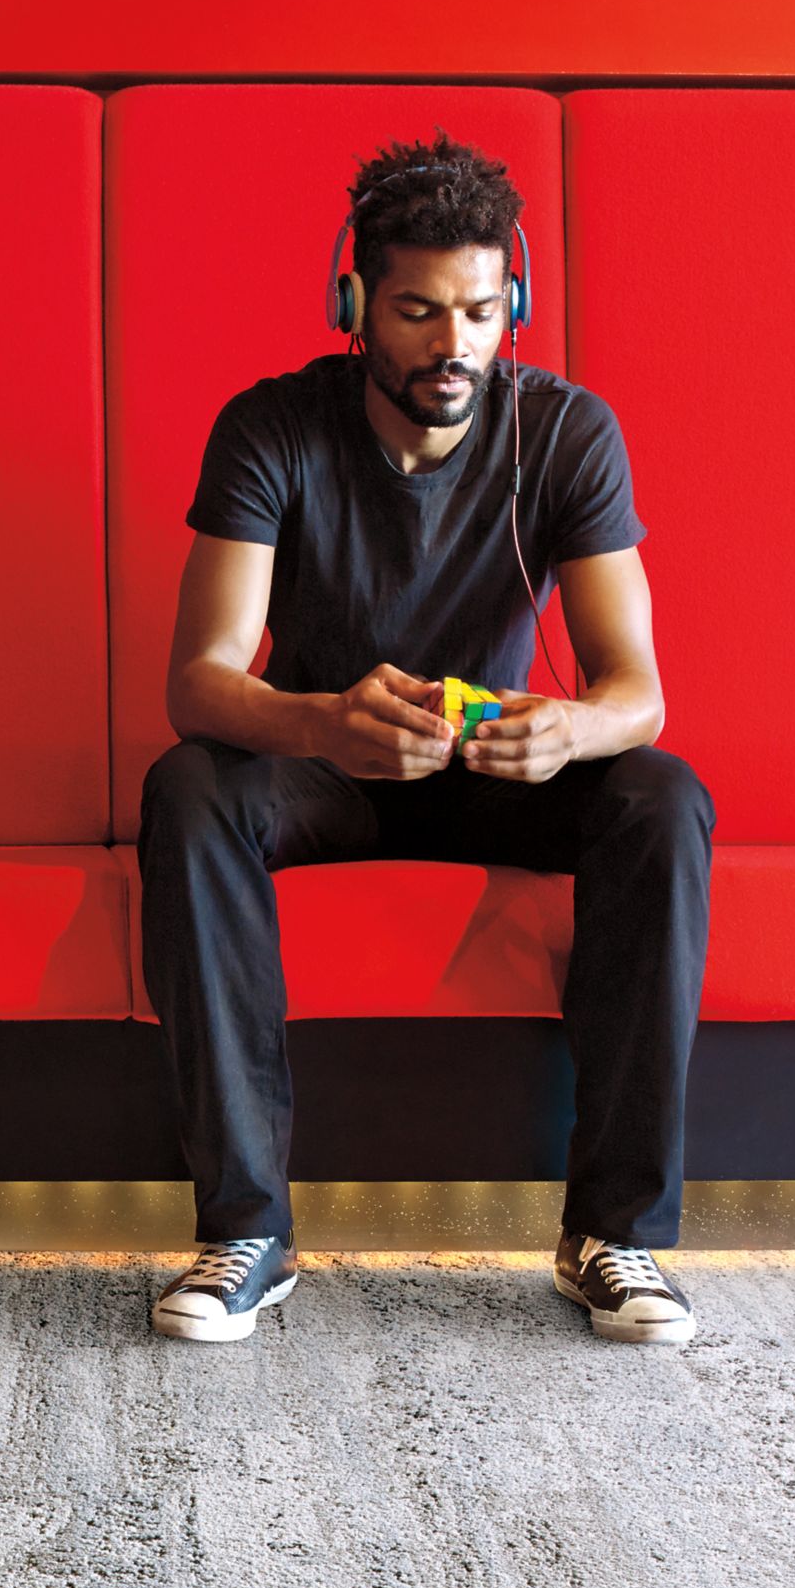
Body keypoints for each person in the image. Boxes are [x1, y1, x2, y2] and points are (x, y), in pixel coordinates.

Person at [141, 134, 713, 1348]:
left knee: (660, 795)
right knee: (188, 788)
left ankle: (617, 1234)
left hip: (494, 772)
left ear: (514, 301)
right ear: (355, 304)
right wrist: (323, 723)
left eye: (477, 308)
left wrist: (567, 731)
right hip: (323, 764)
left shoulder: (567, 433)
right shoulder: (270, 429)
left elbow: (638, 692)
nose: (452, 341)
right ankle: (244, 1230)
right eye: (415, 309)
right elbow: (199, 680)